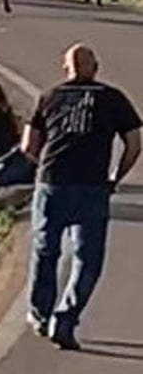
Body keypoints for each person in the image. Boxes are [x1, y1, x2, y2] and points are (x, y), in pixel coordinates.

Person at [20, 42, 142, 350]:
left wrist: (43, 171)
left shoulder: (49, 97)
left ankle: (40, 314)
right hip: (92, 186)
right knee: (88, 259)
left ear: (65, 69)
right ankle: (65, 319)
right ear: (95, 67)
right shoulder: (113, 98)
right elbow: (134, 142)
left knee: (45, 251)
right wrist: (116, 177)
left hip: (53, 183)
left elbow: (27, 146)